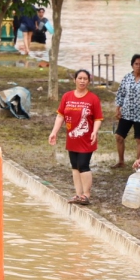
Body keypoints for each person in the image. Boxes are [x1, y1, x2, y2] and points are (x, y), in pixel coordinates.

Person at [49, 69, 103, 205]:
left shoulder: (93, 98)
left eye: (85, 79)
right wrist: (54, 132)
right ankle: (78, 195)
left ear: (89, 81)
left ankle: (86, 195)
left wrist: (95, 131)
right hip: (72, 137)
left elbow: (98, 118)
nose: (82, 81)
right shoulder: (67, 96)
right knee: (75, 166)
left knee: (83, 165)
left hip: (87, 138)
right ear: (75, 80)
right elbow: (60, 115)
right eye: (80, 78)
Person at [113, 54, 140, 168]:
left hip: (139, 115)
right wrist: (118, 109)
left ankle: (138, 164)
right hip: (126, 113)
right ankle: (121, 161)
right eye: (136, 64)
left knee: (139, 140)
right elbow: (121, 94)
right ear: (132, 65)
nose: (138, 66)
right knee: (119, 137)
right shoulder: (127, 78)